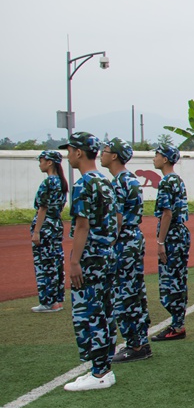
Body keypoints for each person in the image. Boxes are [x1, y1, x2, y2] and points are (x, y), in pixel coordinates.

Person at [60, 132, 118, 391]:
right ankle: (102, 368)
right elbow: (116, 219)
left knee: (90, 314)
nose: (68, 155)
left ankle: (99, 372)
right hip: (106, 256)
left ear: (79, 152)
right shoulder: (105, 182)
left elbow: (81, 225)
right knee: (105, 313)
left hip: (91, 259)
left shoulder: (84, 183)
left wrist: (74, 262)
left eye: (70, 150)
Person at [102, 138, 153, 363]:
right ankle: (139, 341)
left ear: (114, 156)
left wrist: (108, 243)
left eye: (105, 151)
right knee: (134, 291)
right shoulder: (130, 179)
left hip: (123, 241)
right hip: (132, 239)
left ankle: (136, 345)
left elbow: (117, 219)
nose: (101, 154)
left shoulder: (119, 182)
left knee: (125, 294)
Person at [151, 144, 191, 342]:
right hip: (180, 233)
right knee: (178, 278)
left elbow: (166, 213)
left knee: (171, 280)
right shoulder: (177, 180)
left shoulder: (167, 182)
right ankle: (177, 322)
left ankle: (177, 325)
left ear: (165, 159)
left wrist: (160, 241)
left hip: (173, 235)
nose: (154, 158)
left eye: (157, 154)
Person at [29, 150, 67, 313]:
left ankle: (48, 301)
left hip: (45, 225)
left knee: (44, 263)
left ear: (50, 162)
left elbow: (42, 208)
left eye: (42, 160)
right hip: (56, 224)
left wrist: (37, 231)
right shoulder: (60, 182)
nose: (40, 163)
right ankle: (57, 300)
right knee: (55, 262)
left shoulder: (48, 182)